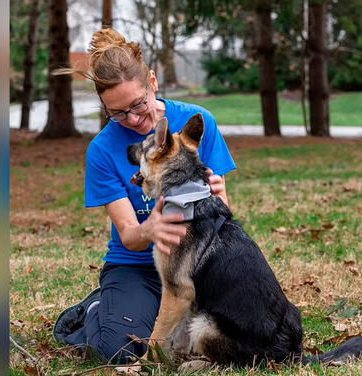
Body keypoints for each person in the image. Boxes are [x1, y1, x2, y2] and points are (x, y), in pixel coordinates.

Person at [52, 29, 236, 364]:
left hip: (197, 264)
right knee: (117, 351)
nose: (134, 120)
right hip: (136, 266)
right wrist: (149, 229)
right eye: (118, 113)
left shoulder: (198, 122)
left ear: (152, 81)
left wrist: (220, 202)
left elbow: (222, 218)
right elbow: (130, 238)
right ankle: (100, 307)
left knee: (230, 338)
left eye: (138, 104)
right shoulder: (102, 151)